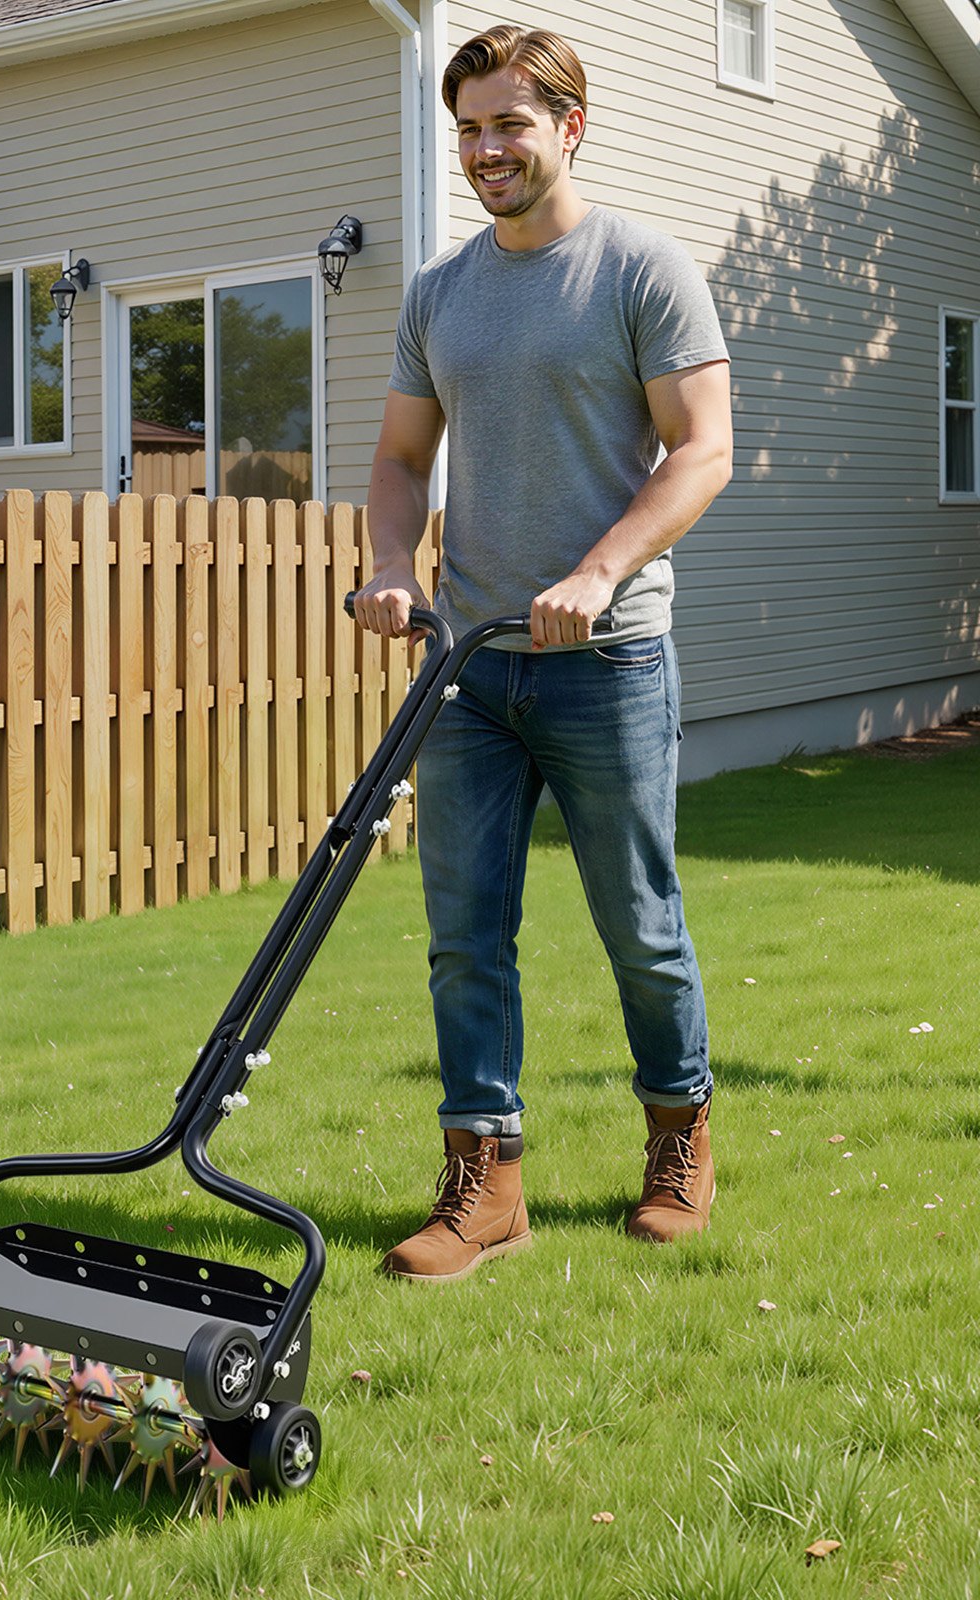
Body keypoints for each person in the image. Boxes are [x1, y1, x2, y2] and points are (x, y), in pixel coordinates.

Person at [352, 24, 733, 1282]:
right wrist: (394, 565)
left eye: (508, 124)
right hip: (468, 668)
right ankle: (484, 1185)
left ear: (569, 125)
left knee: (640, 925)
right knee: (465, 934)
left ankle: (678, 1141)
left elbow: (703, 449)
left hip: (607, 660)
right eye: (467, 128)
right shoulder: (439, 292)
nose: (484, 149)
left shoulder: (640, 269)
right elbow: (400, 458)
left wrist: (598, 570)